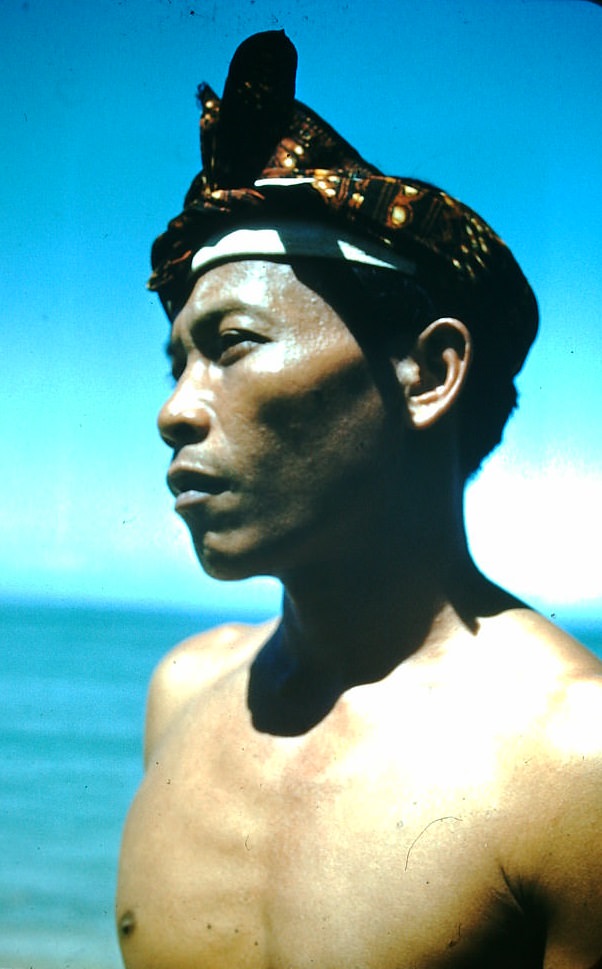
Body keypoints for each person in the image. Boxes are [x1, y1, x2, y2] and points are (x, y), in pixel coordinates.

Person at [116, 31, 602, 969]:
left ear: (428, 372)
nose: (176, 410)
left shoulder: (575, 763)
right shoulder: (180, 695)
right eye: (177, 361)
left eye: (234, 343)